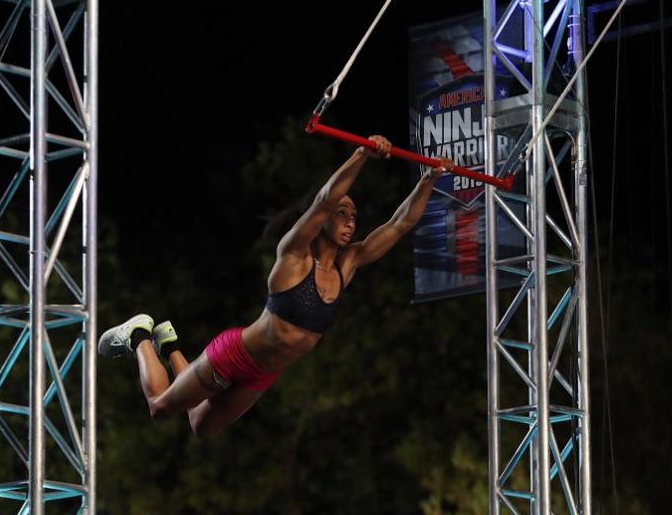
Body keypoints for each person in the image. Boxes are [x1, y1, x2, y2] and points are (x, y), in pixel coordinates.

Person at [98, 136, 453, 437]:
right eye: (341, 214)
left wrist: (430, 178)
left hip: (263, 373)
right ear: (322, 220)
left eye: (353, 216)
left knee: (200, 425)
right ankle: (140, 336)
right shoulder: (294, 255)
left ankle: (170, 344)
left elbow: (400, 223)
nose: (349, 221)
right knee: (161, 408)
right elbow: (325, 198)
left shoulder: (349, 264)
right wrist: (363, 153)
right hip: (236, 353)